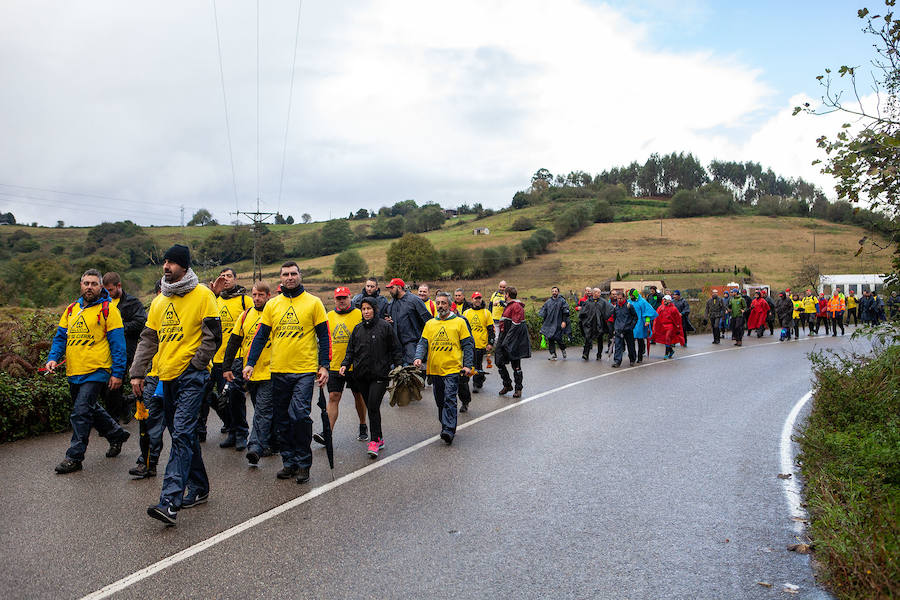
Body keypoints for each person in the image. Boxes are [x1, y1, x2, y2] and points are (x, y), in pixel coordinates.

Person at [130, 245, 222, 525]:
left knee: (181, 433)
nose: (166, 266)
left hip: (192, 377)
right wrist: (137, 372)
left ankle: (169, 501)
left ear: (184, 266)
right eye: (165, 262)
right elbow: (148, 339)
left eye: (171, 262)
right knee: (184, 435)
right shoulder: (160, 301)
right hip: (166, 377)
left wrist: (196, 364)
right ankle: (200, 487)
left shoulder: (203, 295)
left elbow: (213, 336)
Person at [243, 261, 330, 485]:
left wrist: (323, 365)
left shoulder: (314, 302)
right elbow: (261, 336)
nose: (290, 277)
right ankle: (289, 462)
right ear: (280, 278)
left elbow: (324, 336)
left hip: (303, 371)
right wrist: (251, 362)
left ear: (300, 275)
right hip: (278, 370)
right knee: (281, 419)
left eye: (293, 273)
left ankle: (303, 463)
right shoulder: (273, 305)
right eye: (285, 274)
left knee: (299, 415)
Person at [46, 269, 130, 474]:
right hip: (75, 370)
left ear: (101, 286)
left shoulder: (109, 310)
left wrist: (117, 373)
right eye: (86, 283)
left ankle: (74, 457)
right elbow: (60, 337)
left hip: (97, 370)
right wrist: (53, 358)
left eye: (93, 283)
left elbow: (118, 345)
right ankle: (115, 433)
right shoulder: (72, 309)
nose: (89, 287)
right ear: (80, 285)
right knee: (90, 408)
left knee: (81, 411)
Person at [221, 281, 276, 466]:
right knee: (262, 409)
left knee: (262, 410)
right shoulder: (245, 316)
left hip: (271, 371)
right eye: (254, 295)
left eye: (261, 295)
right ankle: (271, 442)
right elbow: (234, 342)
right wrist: (226, 367)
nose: (257, 298)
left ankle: (255, 446)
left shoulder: (274, 314)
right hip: (250, 372)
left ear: (268, 296)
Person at [341, 297, 402, 459]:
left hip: (380, 374)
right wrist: (345, 364)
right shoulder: (357, 329)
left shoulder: (385, 327)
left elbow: (395, 348)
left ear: (375, 309)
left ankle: (374, 441)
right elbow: (350, 351)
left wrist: (398, 365)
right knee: (371, 407)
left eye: (369, 308)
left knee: (373, 405)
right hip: (361, 375)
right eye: (363, 309)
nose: (366, 312)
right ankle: (379, 437)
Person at [414, 291, 474, 445]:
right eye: (438, 303)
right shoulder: (430, 324)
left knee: (450, 398)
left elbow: (467, 345)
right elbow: (423, 343)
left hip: (453, 369)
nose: (440, 306)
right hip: (435, 370)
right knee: (440, 401)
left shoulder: (459, 322)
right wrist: (418, 357)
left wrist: (467, 365)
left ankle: (448, 430)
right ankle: (445, 424)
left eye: (443, 303)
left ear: (450, 305)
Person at [314, 287, 368, 444]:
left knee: (358, 396)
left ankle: (363, 424)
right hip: (334, 364)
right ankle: (327, 433)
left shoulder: (359, 314)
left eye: (344, 297)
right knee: (333, 397)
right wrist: (322, 364)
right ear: (334, 299)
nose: (342, 300)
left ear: (350, 297)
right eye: (338, 298)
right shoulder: (329, 316)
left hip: (355, 365)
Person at [210, 267, 251, 450]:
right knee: (221, 397)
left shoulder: (245, 300)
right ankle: (232, 430)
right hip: (217, 358)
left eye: (228, 276)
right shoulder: (215, 301)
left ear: (235, 278)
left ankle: (242, 433)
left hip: (238, 357)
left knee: (236, 395)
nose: (225, 279)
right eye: (222, 276)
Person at [129, 280, 164, 479]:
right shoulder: (156, 310)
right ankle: (147, 463)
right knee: (149, 421)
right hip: (154, 376)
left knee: (183, 429)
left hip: (183, 375)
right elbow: (147, 342)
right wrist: (137, 373)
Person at [102, 271, 147, 423]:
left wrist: (119, 328)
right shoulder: (103, 302)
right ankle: (125, 406)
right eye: (106, 290)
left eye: (110, 290)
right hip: (107, 351)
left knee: (115, 384)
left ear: (119, 286)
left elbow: (141, 322)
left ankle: (114, 419)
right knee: (109, 386)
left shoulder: (132, 303)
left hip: (127, 349)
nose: (108, 293)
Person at [385, 278, 434, 365]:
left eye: (392, 288)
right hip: (398, 346)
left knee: (414, 372)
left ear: (399, 288)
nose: (390, 291)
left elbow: (428, 321)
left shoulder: (414, 300)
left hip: (413, 344)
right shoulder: (392, 302)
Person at [495, 286, 530, 398]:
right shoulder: (510, 305)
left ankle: (518, 389)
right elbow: (507, 307)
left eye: (505, 294)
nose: (504, 296)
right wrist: (500, 302)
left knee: (516, 365)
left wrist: (507, 341)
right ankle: (507, 385)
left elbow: (516, 325)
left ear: (508, 295)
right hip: (503, 336)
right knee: (498, 361)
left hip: (514, 339)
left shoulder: (517, 306)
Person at [462, 292, 495, 398]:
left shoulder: (486, 313)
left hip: (481, 344)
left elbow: (491, 329)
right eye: (476, 298)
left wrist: (490, 342)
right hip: (468, 344)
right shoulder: (466, 313)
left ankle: (477, 383)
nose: (477, 300)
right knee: (467, 364)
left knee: (477, 365)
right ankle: (475, 379)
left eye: (479, 298)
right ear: (472, 300)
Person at [579, 287, 612, 361]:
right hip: (589, 324)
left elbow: (610, 309)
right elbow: (582, 312)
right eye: (598, 292)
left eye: (600, 293)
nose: (599, 294)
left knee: (600, 340)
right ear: (594, 293)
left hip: (599, 324)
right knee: (587, 339)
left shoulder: (603, 302)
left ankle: (599, 354)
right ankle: (585, 354)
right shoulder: (587, 302)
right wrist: (584, 320)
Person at [539, 286, 569, 360]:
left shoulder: (562, 301)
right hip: (550, 323)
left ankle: (563, 349)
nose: (554, 292)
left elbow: (565, 312)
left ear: (558, 292)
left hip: (558, 322)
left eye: (555, 291)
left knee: (558, 338)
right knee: (550, 338)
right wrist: (541, 315)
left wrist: (564, 321)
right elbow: (544, 310)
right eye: (553, 291)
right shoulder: (548, 301)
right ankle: (553, 354)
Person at [610, 290, 638, 367]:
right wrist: (615, 328)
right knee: (618, 346)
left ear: (624, 298)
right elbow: (615, 319)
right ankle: (617, 361)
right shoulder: (616, 307)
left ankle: (632, 359)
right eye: (618, 299)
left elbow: (635, 317)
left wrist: (631, 327)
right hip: (619, 330)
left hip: (628, 329)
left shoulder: (629, 306)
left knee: (630, 346)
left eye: (620, 298)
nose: (619, 300)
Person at [628, 289, 657, 363]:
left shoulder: (642, 302)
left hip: (640, 323)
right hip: (631, 323)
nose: (631, 297)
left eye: (632, 295)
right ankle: (632, 356)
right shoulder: (629, 302)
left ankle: (640, 357)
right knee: (631, 340)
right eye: (630, 296)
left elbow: (647, 311)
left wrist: (647, 321)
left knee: (640, 340)